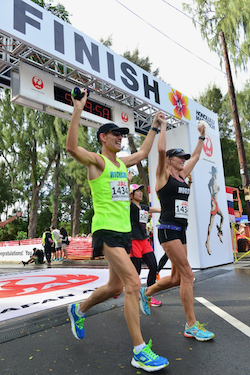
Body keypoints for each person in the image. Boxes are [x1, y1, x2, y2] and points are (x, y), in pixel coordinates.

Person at [66, 88, 169, 372]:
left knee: (114, 287)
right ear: (103, 137)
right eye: (116, 134)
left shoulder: (122, 163)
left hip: (124, 233)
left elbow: (145, 151)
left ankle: (79, 309)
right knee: (133, 284)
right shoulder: (97, 162)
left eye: (123, 135)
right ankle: (139, 351)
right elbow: (72, 148)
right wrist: (78, 108)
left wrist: (155, 127)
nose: (120, 138)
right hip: (106, 230)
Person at [139, 119, 215, 342]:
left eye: (184, 157)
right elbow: (161, 149)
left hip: (181, 231)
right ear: (170, 160)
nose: (184, 160)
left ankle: (147, 292)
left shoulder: (182, 176)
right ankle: (191, 325)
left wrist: (201, 136)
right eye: (180, 157)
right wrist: (162, 126)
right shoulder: (163, 175)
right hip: (167, 230)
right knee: (188, 275)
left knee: (175, 279)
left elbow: (197, 156)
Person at [129, 183, 162, 307]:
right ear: (131, 195)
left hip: (144, 241)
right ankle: (125, 290)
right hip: (133, 241)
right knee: (135, 272)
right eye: (137, 191)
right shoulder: (130, 206)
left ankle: (148, 294)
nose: (140, 193)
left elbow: (158, 209)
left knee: (154, 266)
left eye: (141, 191)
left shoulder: (143, 207)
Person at [205, 166, 224, 255]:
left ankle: (219, 231)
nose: (216, 175)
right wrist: (218, 190)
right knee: (211, 224)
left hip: (215, 202)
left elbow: (209, 187)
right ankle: (207, 242)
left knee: (222, 217)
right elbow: (214, 190)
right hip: (213, 203)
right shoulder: (213, 181)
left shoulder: (212, 181)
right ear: (214, 173)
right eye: (216, 173)